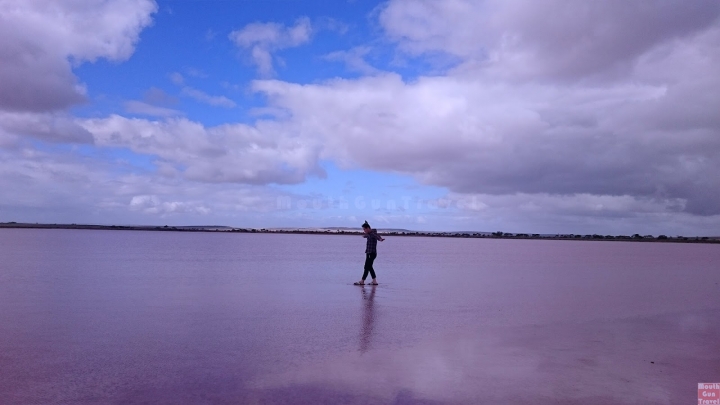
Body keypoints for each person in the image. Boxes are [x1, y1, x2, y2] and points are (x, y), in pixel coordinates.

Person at [354, 220, 385, 285]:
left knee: (367, 267)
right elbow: (367, 236)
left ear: (368, 228)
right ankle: (374, 281)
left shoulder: (373, 233)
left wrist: (380, 239)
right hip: (368, 253)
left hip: (372, 253)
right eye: (363, 229)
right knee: (369, 267)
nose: (364, 231)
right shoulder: (369, 234)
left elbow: (377, 237)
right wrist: (365, 235)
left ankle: (362, 281)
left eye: (364, 229)